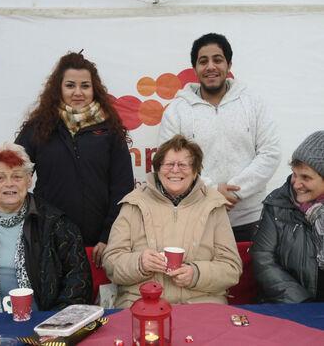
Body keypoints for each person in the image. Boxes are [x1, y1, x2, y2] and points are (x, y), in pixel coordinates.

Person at [158, 33, 281, 242]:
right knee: (203, 275)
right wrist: (213, 192)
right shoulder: (177, 110)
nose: (210, 67)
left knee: (253, 275)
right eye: (203, 61)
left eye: (218, 59)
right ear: (195, 68)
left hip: (250, 218)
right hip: (198, 217)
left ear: (229, 64)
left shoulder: (253, 102)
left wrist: (236, 191)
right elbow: (168, 164)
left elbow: (270, 152)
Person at [15, 51, 134, 267]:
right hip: (49, 241)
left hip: (98, 246)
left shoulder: (110, 130)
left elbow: (123, 189)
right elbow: (13, 178)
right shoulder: (38, 129)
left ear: (94, 89)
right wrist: (34, 228)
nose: (78, 92)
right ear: (58, 88)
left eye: (85, 86)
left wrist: (109, 237)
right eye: (70, 85)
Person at [102, 135, 242, 308]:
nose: (175, 170)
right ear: (158, 169)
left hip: (202, 303)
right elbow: (111, 263)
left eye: (183, 164)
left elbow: (231, 268)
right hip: (141, 302)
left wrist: (197, 274)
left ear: (196, 170)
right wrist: (140, 263)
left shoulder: (214, 204)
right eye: (168, 164)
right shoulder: (134, 203)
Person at [0, 142, 92, 313]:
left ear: (28, 180)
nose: (9, 183)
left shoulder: (57, 225)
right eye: (0, 178)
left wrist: (53, 323)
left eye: (17, 176)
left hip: (41, 324)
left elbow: (78, 281)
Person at [251, 131, 324, 303]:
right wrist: (302, 302)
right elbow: (263, 259)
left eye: (306, 177)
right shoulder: (277, 203)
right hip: (290, 306)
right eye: (294, 173)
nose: (296, 183)